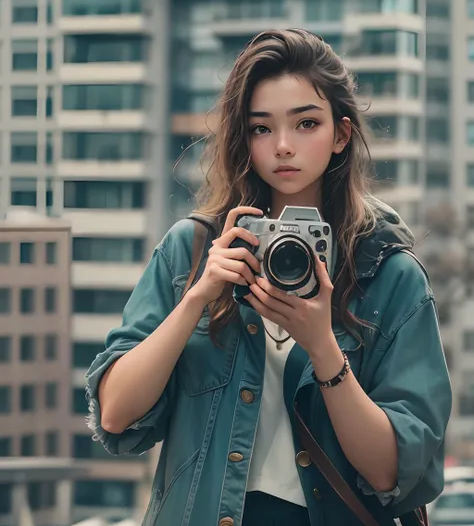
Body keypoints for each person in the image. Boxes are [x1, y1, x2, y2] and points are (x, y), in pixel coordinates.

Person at [85, 30, 451, 526]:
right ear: (244, 138)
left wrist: (322, 347)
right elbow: (115, 415)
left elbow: (394, 472)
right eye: (261, 129)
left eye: (306, 123)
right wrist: (197, 298)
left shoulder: (390, 276)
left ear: (341, 135)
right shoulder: (192, 252)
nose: (283, 146)